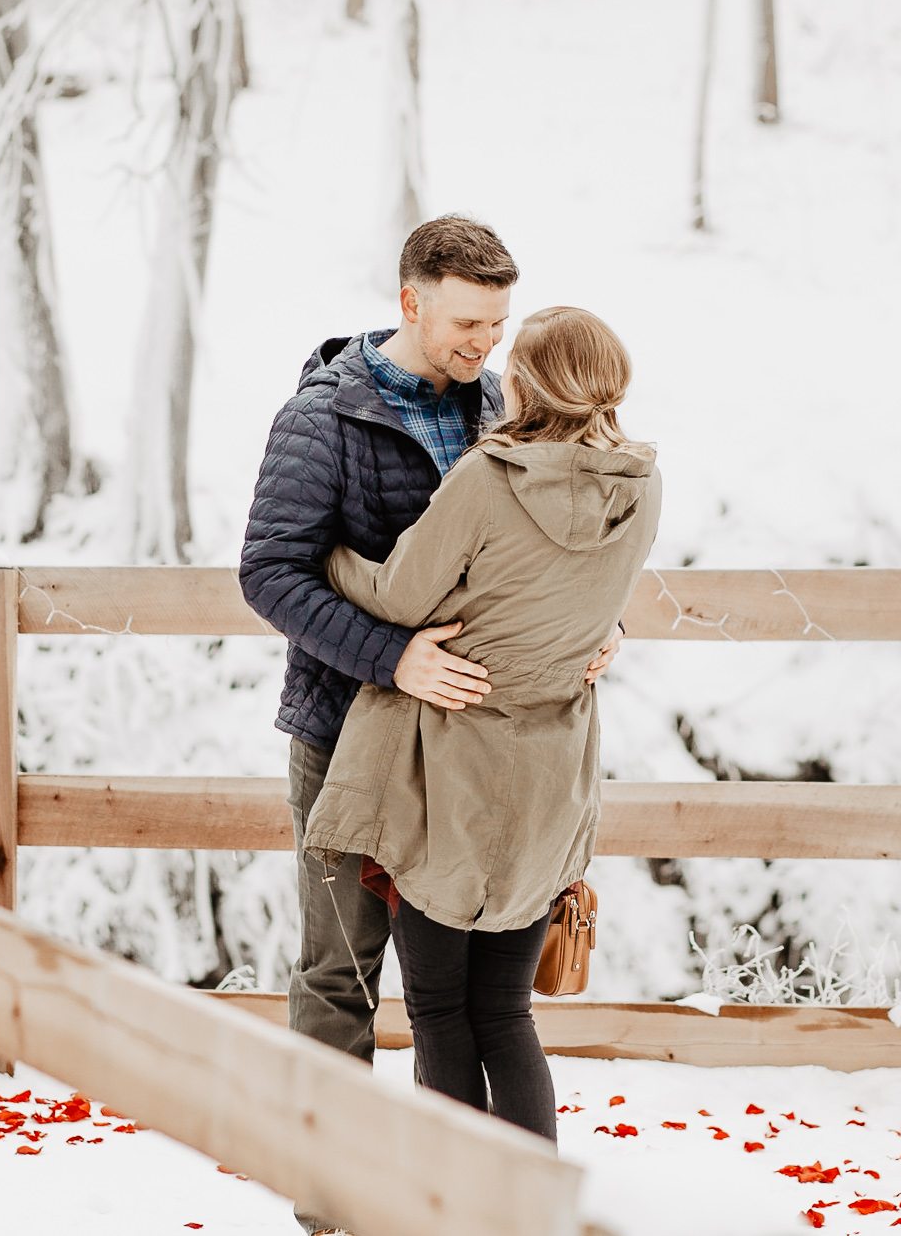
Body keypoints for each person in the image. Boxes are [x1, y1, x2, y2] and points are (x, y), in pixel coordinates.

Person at [240, 218, 627, 1079]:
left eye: (497, 325)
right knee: (340, 971)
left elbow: (558, 555)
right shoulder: (322, 418)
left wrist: (602, 630)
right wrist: (392, 657)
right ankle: (334, 1204)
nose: (486, 344)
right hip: (347, 738)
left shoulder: (501, 404)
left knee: (448, 997)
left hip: (469, 755)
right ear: (412, 304)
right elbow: (270, 573)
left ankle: (439, 1194)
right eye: (467, 326)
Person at [301, 307, 661, 1144]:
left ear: (531, 382)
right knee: (505, 1011)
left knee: (438, 1007)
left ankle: (455, 1210)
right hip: (552, 774)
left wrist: (330, 556)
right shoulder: (641, 488)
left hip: (452, 766)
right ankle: (529, 1213)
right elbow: (593, 605)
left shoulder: (489, 478)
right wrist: (605, 635)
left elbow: (399, 597)